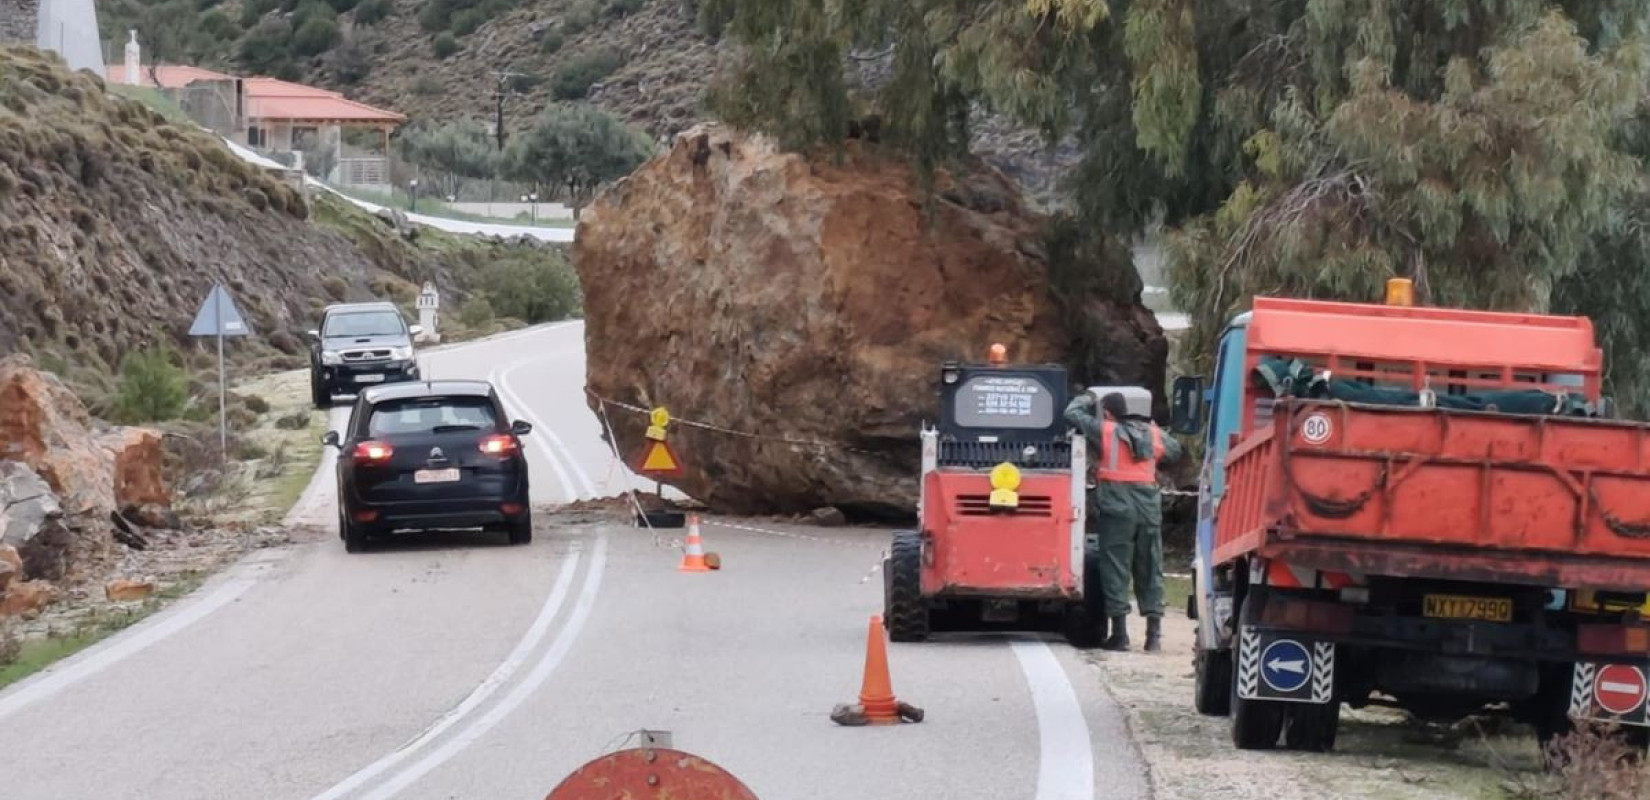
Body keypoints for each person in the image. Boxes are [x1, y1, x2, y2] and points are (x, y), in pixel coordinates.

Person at [1064, 390, 1183, 652]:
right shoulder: (1152, 434)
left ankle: (1120, 635)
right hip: (1148, 506)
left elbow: (1072, 413)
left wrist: (1088, 397)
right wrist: (1151, 431)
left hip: (1117, 508)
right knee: (1151, 565)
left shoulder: (1105, 431)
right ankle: (1154, 636)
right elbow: (1175, 451)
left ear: (1107, 413)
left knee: (1115, 568)